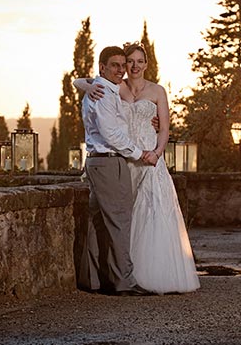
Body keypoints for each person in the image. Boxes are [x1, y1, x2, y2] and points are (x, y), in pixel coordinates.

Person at [74, 42, 200, 295]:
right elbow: (81, 81)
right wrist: (87, 85)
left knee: (149, 212)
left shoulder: (156, 91)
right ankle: (120, 279)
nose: (132, 66)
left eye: (138, 61)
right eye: (128, 61)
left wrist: (155, 153)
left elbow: (164, 128)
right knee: (119, 219)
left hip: (147, 157)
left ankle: (149, 272)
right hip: (123, 158)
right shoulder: (111, 87)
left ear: (146, 64)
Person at [78, 45, 156, 296]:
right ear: (102, 67)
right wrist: (138, 153)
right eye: (115, 65)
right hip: (109, 161)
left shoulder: (105, 90)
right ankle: (124, 282)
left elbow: (118, 123)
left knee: (98, 221)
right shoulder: (102, 92)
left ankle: (94, 280)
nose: (121, 70)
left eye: (123, 65)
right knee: (120, 221)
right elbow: (111, 133)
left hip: (99, 161)